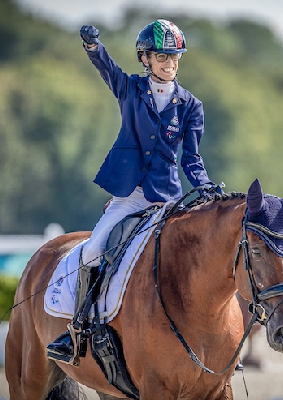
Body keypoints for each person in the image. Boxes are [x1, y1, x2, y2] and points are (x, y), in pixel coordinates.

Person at [47, 19, 222, 364]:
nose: (169, 64)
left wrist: (204, 187)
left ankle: (209, 338)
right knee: (94, 248)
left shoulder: (190, 106)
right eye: (162, 57)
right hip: (129, 194)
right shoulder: (130, 89)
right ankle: (77, 330)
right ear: (145, 58)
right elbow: (107, 69)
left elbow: (191, 158)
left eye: (174, 58)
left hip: (167, 197)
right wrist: (94, 49)